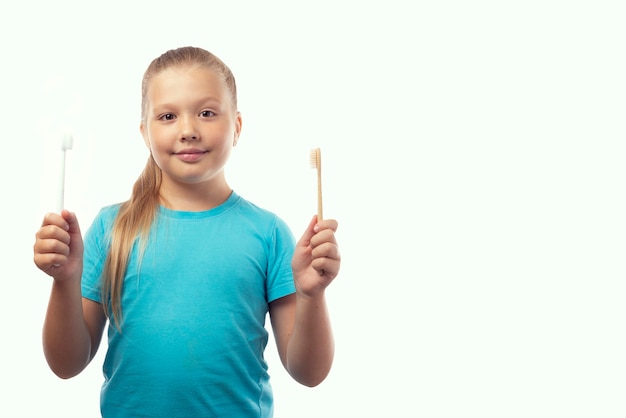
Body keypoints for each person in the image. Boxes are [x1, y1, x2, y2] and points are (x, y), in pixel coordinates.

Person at [33, 46, 341, 417]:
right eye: (167, 116)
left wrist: (312, 295)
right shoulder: (110, 228)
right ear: (145, 132)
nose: (188, 130)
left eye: (207, 113)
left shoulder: (269, 233)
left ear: (238, 127)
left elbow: (309, 373)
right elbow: (66, 365)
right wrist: (65, 281)